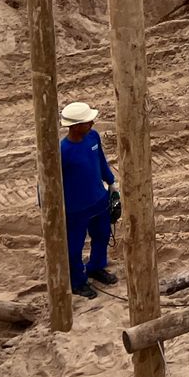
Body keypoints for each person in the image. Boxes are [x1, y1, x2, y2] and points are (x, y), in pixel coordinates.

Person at [59, 101, 118, 299]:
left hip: (98, 200)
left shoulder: (93, 137)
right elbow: (47, 182)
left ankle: (96, 267)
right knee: (74, 246)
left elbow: (100, 160)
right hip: (75, 209)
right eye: (87, 121)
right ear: (75, 126)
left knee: (102, 235)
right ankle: (77, 282)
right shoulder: (61, 151)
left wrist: (111, 182)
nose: (92, 122)